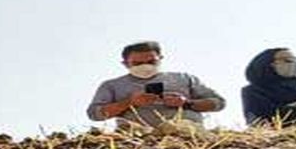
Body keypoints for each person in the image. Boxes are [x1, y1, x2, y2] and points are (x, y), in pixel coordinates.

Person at [87, 41, 226, 129]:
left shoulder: (184, 78)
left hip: (186, 134)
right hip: (137, 138)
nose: (145, 66)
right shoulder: (112, 85)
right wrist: (130, 102)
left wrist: (186, 103)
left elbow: (219, 103)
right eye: (137, 63)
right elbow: (95, 114)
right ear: (125, 64)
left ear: (160, 59)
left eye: (151, 62)